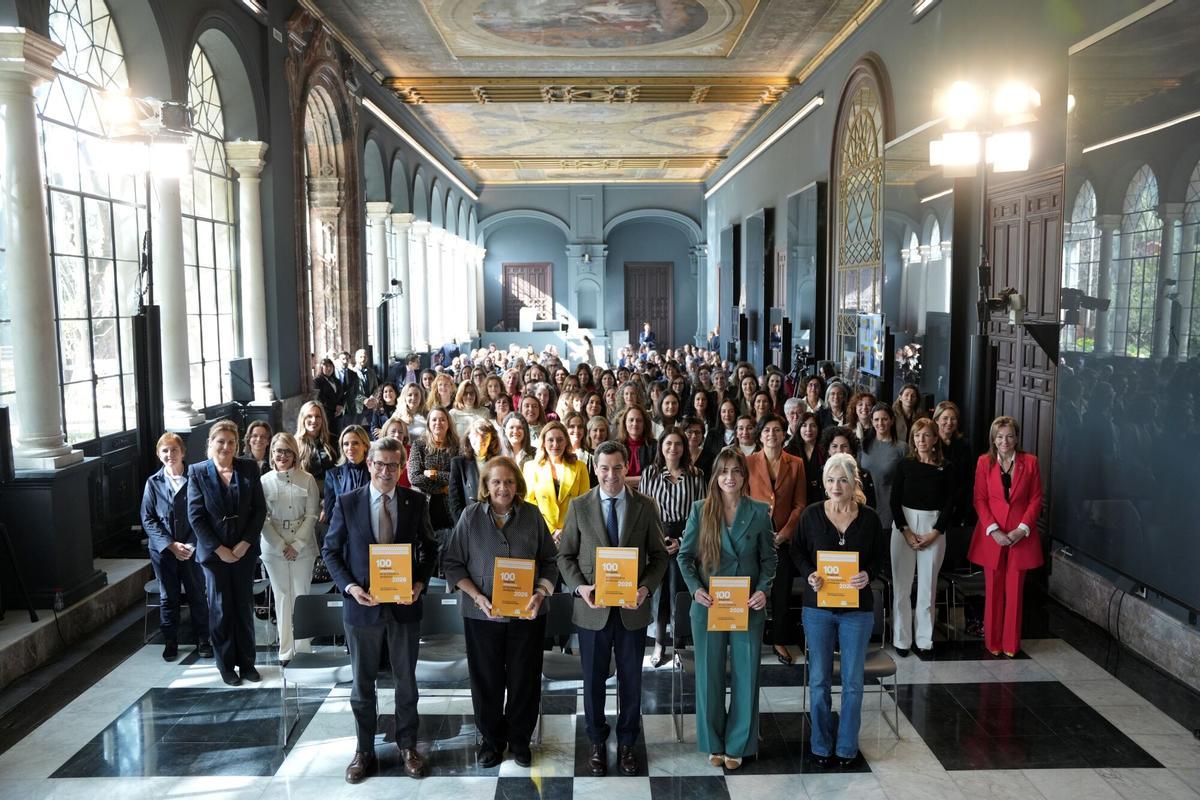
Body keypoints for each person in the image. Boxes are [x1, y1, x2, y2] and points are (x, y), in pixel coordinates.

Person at [322, 437, 438, 784]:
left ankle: (407, 746)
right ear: (369, 464)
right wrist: (351, 587)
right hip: (362, 609)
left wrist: (419, 585)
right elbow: (331, 551)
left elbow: (430, 549)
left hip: (404, 608)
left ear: (402, 467)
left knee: (406, 683)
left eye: (393, 465)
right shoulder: (348, 502)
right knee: (362, 686)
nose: (386, 471)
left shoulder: (416, 502)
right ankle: (364, 750)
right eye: (380, 464)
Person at [556, 441, 669, 777]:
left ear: (626, 468)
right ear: (596, 469)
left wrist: (646, 588)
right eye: (604, 468)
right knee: (592, 682)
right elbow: (565, 556)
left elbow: (660, 556)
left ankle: (627, 743)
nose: (610, 474)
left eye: (617, 467)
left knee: (632, 681)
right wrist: (580, 587)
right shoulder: (579, 506)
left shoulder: (645, 506)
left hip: (632, 610)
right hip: (593, 610)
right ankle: (595, 740)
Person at [443, 456, 559, 768]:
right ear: (486, 485)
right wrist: (477, 597)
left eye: (509, 481)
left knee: (525, 678)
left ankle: (520, 740)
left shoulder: (533, 515)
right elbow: (452, 564)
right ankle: (491, 742)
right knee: (486, 680)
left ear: (517, 484)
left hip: (528, 614)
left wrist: (541, 592)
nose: (503, 488)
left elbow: (551, 560)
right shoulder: (469, 517)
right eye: (496, 481)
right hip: (481, 615)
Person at [677, 448, 775, 770]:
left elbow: (769, 560)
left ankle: (739, 744)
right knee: (709, 675)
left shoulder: (760, 512)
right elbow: (684, 557)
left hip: (747, 605)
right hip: (710, 606)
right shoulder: (700, 510)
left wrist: (763, 590)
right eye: (723, 471)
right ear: (715, 476)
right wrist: (696, 590)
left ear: (745, 476)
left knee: (746, 676)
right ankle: (713, 742)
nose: (729, 477)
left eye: (736, 471)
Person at [792, 453, 887, 768]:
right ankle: (820, 742)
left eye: (843, 479)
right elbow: (798, 552)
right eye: (831, 480)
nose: (836, 485)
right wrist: (809, 573)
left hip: (857, 610)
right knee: (818, 680)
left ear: (853, 482)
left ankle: (847, 746)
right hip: (818, 609)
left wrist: (868, 575)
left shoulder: (870, 518)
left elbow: (879, 558)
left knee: (853, 682)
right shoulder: (810, 515)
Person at [187, 420, 267, 686]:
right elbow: (196, 517)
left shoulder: (248, 468)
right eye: (220, 441)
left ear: (237, 445)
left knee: (243, 607)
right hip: (214, 555)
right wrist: (220, 549)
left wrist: (245, 543)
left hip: (243, 551)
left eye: (231, 442)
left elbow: (259, 510)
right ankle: (225, 665)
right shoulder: (198, 472)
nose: (225, 447)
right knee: (221, 609)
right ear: (210, 443)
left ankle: (247, 664)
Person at [968, 416, 1043, 657]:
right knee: (993, 592)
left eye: (1009, 436)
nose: (1005, 441)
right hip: (993, 537)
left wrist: (1022, 529)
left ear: (1017, 438)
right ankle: (993, 643)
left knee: (1014, 593)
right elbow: (979, 499)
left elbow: (1036, 499)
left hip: (1020, 536)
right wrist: (994, 530)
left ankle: (1011, 644)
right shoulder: (983, 462)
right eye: (999, 436)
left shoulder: (1030, 462)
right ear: (993, 438)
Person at [639, 427, 707, 666]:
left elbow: (701, 513)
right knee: (658, 593)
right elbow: (645, 510)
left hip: (686, 538)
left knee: (679, 591)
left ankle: (678, 645)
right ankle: (659, 643)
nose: (673, 448)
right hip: (657, 537)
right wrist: (658, 541)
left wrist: (682, 540)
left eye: (678, 444)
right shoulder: (650, 473)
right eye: (668, 443)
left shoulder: (696, 474)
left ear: (684, 447)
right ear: (661, 447)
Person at [141, 432, 211, 661]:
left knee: (197, 595)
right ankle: (170, 640)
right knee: (168, 597)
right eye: (165, 450)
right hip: (164, 552)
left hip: (193, 549)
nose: (169, 454)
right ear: (159, 454)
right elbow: (148, 518)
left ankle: (203, 639)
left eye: (174, 450)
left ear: (183, 452)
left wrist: (191, 544)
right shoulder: (153, 482)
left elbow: (205, 513)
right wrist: (170, 545)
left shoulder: (196, 477)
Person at [890, 417, 955, 655]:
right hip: (904, 526)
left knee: (927, 586)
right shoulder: (904, 465)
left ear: (936, 439)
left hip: (933, 526)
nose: (921, 440)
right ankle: (901, 640)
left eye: (926, 435)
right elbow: (894, 501)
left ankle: (924, 639)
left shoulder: (946, 467)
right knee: (902, 586)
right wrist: (905, 530)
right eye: (917, 436)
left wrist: (935, 532)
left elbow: (950, 503)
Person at [746, 414, 806, 665]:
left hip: (782, 538)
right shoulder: (747, 462)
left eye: (777, 430)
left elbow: (800, 503)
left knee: (781, 591)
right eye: (767, 430)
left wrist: (784, 534)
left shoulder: (796, 463)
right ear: (760, 436)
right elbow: (743, 499)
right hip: (753, 537)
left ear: (784, 434)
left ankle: (779, 639)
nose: (772, 434)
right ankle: (749, 638)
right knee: (751, 590)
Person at [260, 432, 320, 665]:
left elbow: (312, 514)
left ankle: (303, 649)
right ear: (272, 454)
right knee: (282, 596)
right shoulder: (264, 481)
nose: (282, 455)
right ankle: (285, 651)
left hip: (302, 546)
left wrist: (296, 544)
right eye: (278, 451)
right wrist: (280, 545)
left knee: (301, 594)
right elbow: (262, 518)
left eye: (287, 451)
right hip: (274, 546)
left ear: (294, 454)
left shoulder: (307, 479)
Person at [523, 420, 590, 545]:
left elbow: (584, 504)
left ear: (566, 442)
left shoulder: (580, 467)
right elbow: (529, 503)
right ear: (543, 442)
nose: (555, 444)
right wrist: (552, 531)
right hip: (541, 533)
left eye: (560, 440)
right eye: (550, 440)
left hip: (571, 534)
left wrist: (565, 530)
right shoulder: (530, 467)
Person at [407, 407, 459, 560]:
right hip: (425, 502)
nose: (438, 423)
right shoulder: (419, 445)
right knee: (426, 549)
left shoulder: (456, 447)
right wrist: (442, 488)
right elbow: (415, 478)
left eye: (443, 419)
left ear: (448, 423)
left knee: (449, 547)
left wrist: (434, 474)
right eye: (434, 419)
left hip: (449, 505)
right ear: (429, 423)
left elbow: (456, 478)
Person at [859, 403, 906, 532]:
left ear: (891, 421)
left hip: (889, 509)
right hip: (864, 507)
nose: (880, 423)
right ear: (872, 422)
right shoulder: (864, 444)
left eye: (884, 419)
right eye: (876, 419)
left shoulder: (901, 448)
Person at [449, 417, 500, 523]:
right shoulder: (458, 463)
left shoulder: (498, 463)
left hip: (494, 523)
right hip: (468, 523)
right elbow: (455, 502)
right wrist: (463, 525)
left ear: (492, 439)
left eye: (485, 436)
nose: (480, 440)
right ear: (469, 437)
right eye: (476, 435)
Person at [786, 411, 825, 504]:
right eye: (804, 425)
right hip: (796, 498)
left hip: (821, 498)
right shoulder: (789, 450)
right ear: (799, 428)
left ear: (818, 428)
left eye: (813, 426)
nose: (808, 429)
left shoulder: (825, 450)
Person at [615, 405, 656, 487]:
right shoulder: (616, 447)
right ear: (625, 423)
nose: (635, 423)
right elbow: (614, 478)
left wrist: (624, 480)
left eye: (639, 420)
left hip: (646, 493)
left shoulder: (655, 446)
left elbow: (654, 478)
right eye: (631, 420)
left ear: (644, 424)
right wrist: (643, 479)